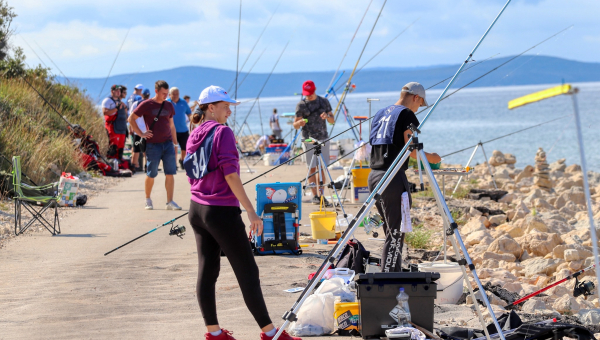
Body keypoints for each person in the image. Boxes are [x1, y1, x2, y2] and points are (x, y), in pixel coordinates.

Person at [185, 85, 300, 340]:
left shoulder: (194, 133)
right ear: (210, 107)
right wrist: (251, 211)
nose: (229, 110)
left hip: (197, 210)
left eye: (230, 106)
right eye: (225, 106)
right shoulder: (222, 132)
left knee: (208, 270)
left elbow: (192, 172)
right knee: (247, 271)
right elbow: (230, 175)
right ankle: (270, 333)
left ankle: (214, 333)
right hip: (220, 212)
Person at [368, 82, 441, 273]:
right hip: (392, 177)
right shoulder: (407, 114)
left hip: (374, 176)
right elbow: (412, 148)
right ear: (415, 97)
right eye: (420, 104)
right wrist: (433, 157)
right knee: (396, 232)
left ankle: (391, 271)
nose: (418, 109)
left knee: (390, 230)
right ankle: (390, 277)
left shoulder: (380, 113)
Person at [128, 80, 182, 211]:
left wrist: (175, 143)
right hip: (153, 144)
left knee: (170, 173)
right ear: (156, 91)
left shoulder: (169, 105)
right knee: (151, 173)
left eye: (166, 93)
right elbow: (131, 119)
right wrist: (141, 134)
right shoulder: (147, 104)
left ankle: (170, 201)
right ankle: (148, 199)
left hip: (168, 143)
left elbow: (172, 126)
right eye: (163, 93)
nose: (165, 96)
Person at [293, 80, 335, 205]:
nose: (309, 95)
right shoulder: (301, 105)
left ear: (315, 89)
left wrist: (327, 116)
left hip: (323, 138)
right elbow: (295, 125)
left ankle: (322, 194)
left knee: (322, 167)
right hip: (308, 139)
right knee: (311, 168)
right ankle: (315, 195)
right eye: (307, 93)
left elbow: (332, 120)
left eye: (311, 92)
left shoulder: (324, 102)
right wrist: (299, 123)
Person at [167, 87, 192, 170]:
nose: (175, 95)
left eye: (177, 94)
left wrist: (193, 122)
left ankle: (182, 160)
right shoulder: (167, 103)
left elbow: (189, 113)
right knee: (173, 148)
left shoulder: (183, 102)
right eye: (173, 94)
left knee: (184, 148)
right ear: (169, 94)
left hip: (183, 129)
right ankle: (174, 164)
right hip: (170, 130)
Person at [102, 84, 128, 162]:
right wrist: (116, 109)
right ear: (112, 91)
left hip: (121, 126)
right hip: (112, 125)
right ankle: (111, 161)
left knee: (121, 145)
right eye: (116, 90)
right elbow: (105, 112)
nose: (118, 92)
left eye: (119, 91)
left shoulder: (120, 102)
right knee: (114, 144)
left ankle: (119, 161)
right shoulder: (107, 100)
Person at [129, 88, 151, 172]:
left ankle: (133, 166)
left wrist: (131, 128)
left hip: (137, 130)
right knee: (147, 150)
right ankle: (147, 166)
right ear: (148, 95)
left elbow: (130, 118)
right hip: (147, 130)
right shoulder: (150, 104)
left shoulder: (136, 103)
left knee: (136, 150)